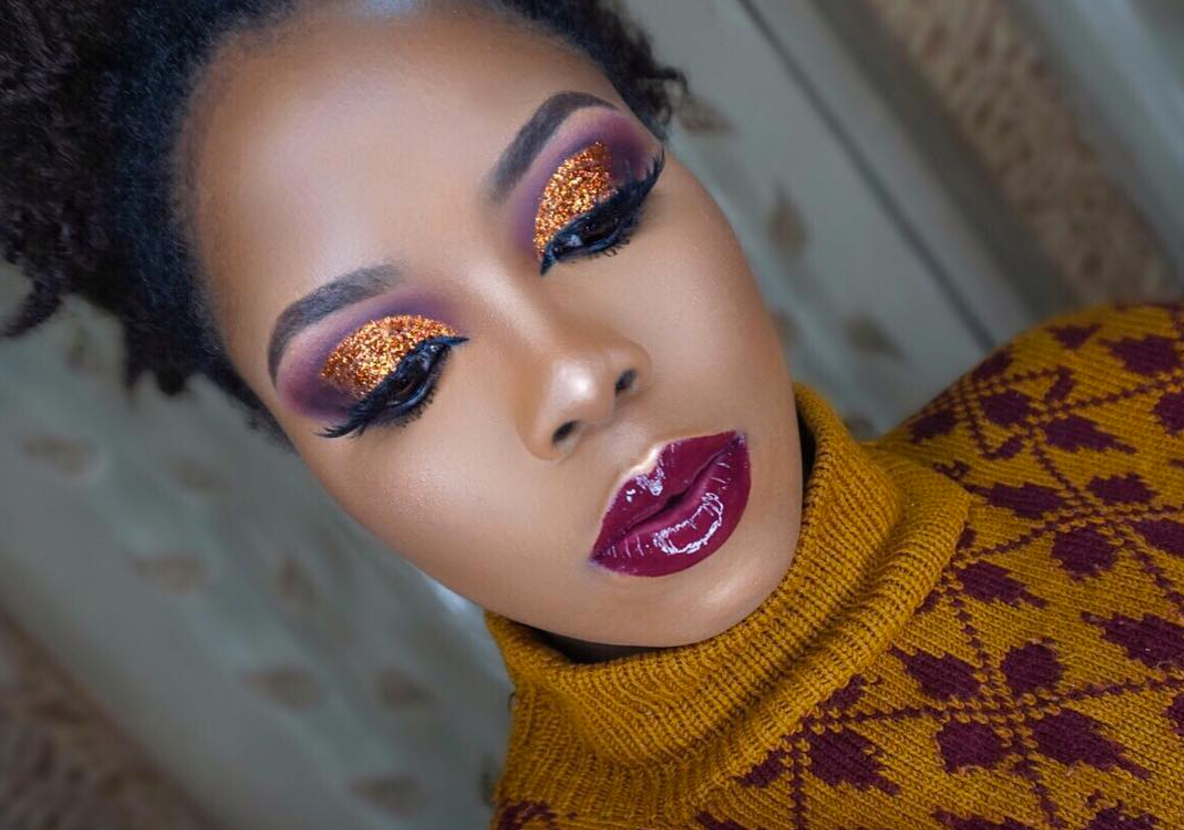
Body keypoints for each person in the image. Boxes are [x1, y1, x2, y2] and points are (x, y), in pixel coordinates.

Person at [2, 1, 1182, 827]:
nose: (576, 377)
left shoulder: (1124, 383)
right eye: (395, 372)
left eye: (590, 212)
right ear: (307, 460)